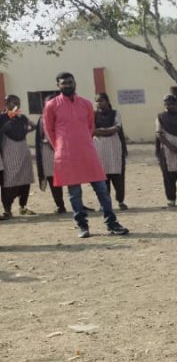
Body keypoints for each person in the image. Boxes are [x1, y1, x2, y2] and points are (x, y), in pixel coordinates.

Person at [43, 72, 130, 238]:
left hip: (88, 152)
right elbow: (49, 130)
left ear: (75, 83)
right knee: (75, 193)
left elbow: (90, 127)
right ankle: (82, 226)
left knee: (102, 190)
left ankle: (112, 223)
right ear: (58, 86)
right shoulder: (51, 105)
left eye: (70, 82)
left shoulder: (86, 104)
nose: (67, 85)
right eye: (64, 83)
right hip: (67, 154)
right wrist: (60, 147)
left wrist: (83, 142)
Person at [0, 95, 37, 218]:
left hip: (23, 152)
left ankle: (23, 207)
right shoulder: (2, 118)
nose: (17, 105)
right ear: (7, 104)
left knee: (25, 180)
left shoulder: (22, 117)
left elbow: (34, 126)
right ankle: (7, 210)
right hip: (9, 153)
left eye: (18, 103)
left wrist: (25, 129)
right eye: (14, 103)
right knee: (9, 181)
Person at [93, 93, 128, 209]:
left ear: (107, 101)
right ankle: (105, 203)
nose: (99, 103)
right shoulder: (93, 115)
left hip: (114, 148)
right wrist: (106, 131)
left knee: (117, 177)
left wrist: (101, 131)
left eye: (101, 101)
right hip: (99, 149)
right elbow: (92, 130)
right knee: (102, 178)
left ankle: (120, 201)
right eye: (97, 101)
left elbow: (116, 128)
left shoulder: (115, 113)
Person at [35, 109, 68, 214]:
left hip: (63, 149)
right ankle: (60, 205)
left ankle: (78, 204)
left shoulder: (63, 116)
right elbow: (40, 137)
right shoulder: (42, 119)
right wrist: (49, 142)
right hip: (48, 152)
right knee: (53, 179)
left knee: (71, 178)